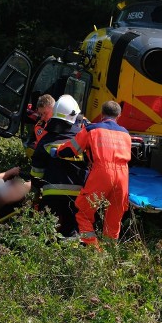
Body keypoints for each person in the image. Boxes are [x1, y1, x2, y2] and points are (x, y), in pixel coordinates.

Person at [52, 101, 131, 246]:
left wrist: (57, 151)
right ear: (119, 116)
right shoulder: (126, 133)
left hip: (102, 174)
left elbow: (71, 149)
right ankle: (110, 250)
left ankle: (94, 249)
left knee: (82, 213)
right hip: (123, 177)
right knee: (114, 218)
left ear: (102, 114)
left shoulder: (92, 129)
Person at [30, 95, 88, 237]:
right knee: (73, 230)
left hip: (51, 194)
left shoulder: (47, 138)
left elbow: (37, 168)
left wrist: (36, 190)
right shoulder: (83, 137)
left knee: (47, 231)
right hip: (77, 196)